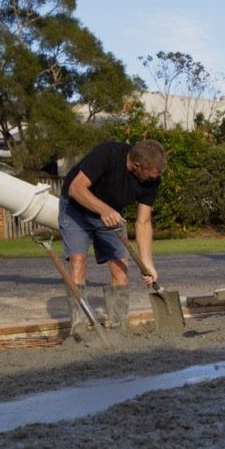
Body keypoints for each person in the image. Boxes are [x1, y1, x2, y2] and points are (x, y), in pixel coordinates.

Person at [58, 138, 167, 336]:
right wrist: (103, 209)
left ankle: (119, 327)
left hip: (110, 214)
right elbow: (76, 188)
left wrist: (147, 262)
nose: (153, 180)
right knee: (78, 261)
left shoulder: (153, 179)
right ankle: (79, 327)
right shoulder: (107, 154)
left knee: (120, 265)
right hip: (75, 208)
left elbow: (143, 222)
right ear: (136, 165)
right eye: (150, 177)